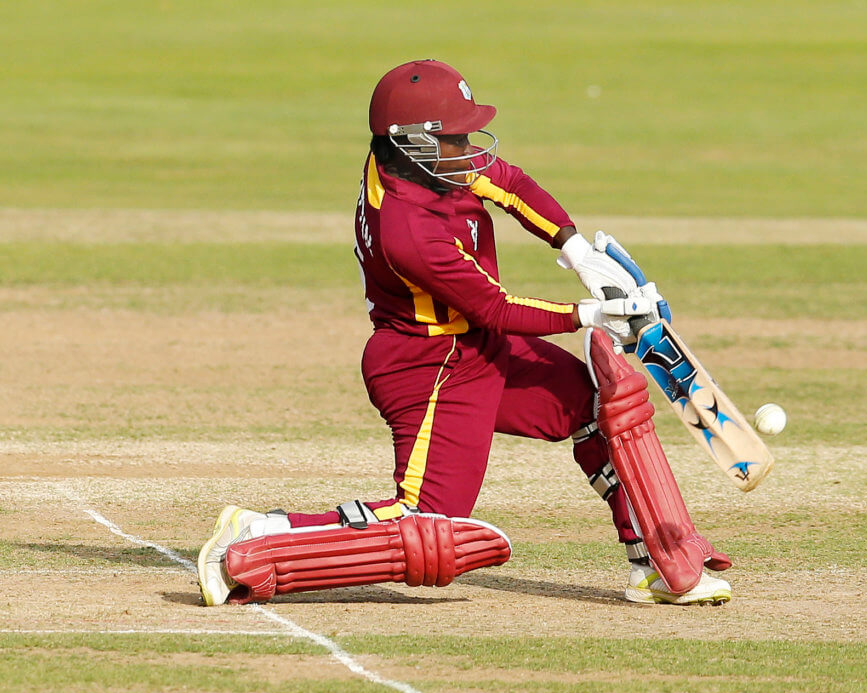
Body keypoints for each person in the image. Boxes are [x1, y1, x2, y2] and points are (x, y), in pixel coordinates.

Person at [197, 59, 731, 607]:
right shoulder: (409, 231)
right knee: (425, 525)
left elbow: (510, 183)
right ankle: (262, 535)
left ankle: (659, 563)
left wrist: (576, 251)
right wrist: (590, 315)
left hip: (475, 345)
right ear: (412, 143)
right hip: (431, 365)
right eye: (456, 137)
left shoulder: (421, 163)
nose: (469, 148)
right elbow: (495, 307)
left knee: (595, 408)